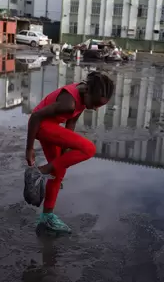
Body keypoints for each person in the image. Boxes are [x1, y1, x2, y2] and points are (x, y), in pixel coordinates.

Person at [25, 71, 115, 234]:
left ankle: (47, 218)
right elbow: (36, 116)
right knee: (89, 149)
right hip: (42, 126)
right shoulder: (69, 102)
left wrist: (65, 151)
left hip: (50, 127)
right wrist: (29, 149)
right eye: (95, 104)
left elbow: (71, 121)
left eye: (99, 106)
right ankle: (41, 171)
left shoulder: (82, 94)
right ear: (88, 92)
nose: (95, 109)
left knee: (59, 170)